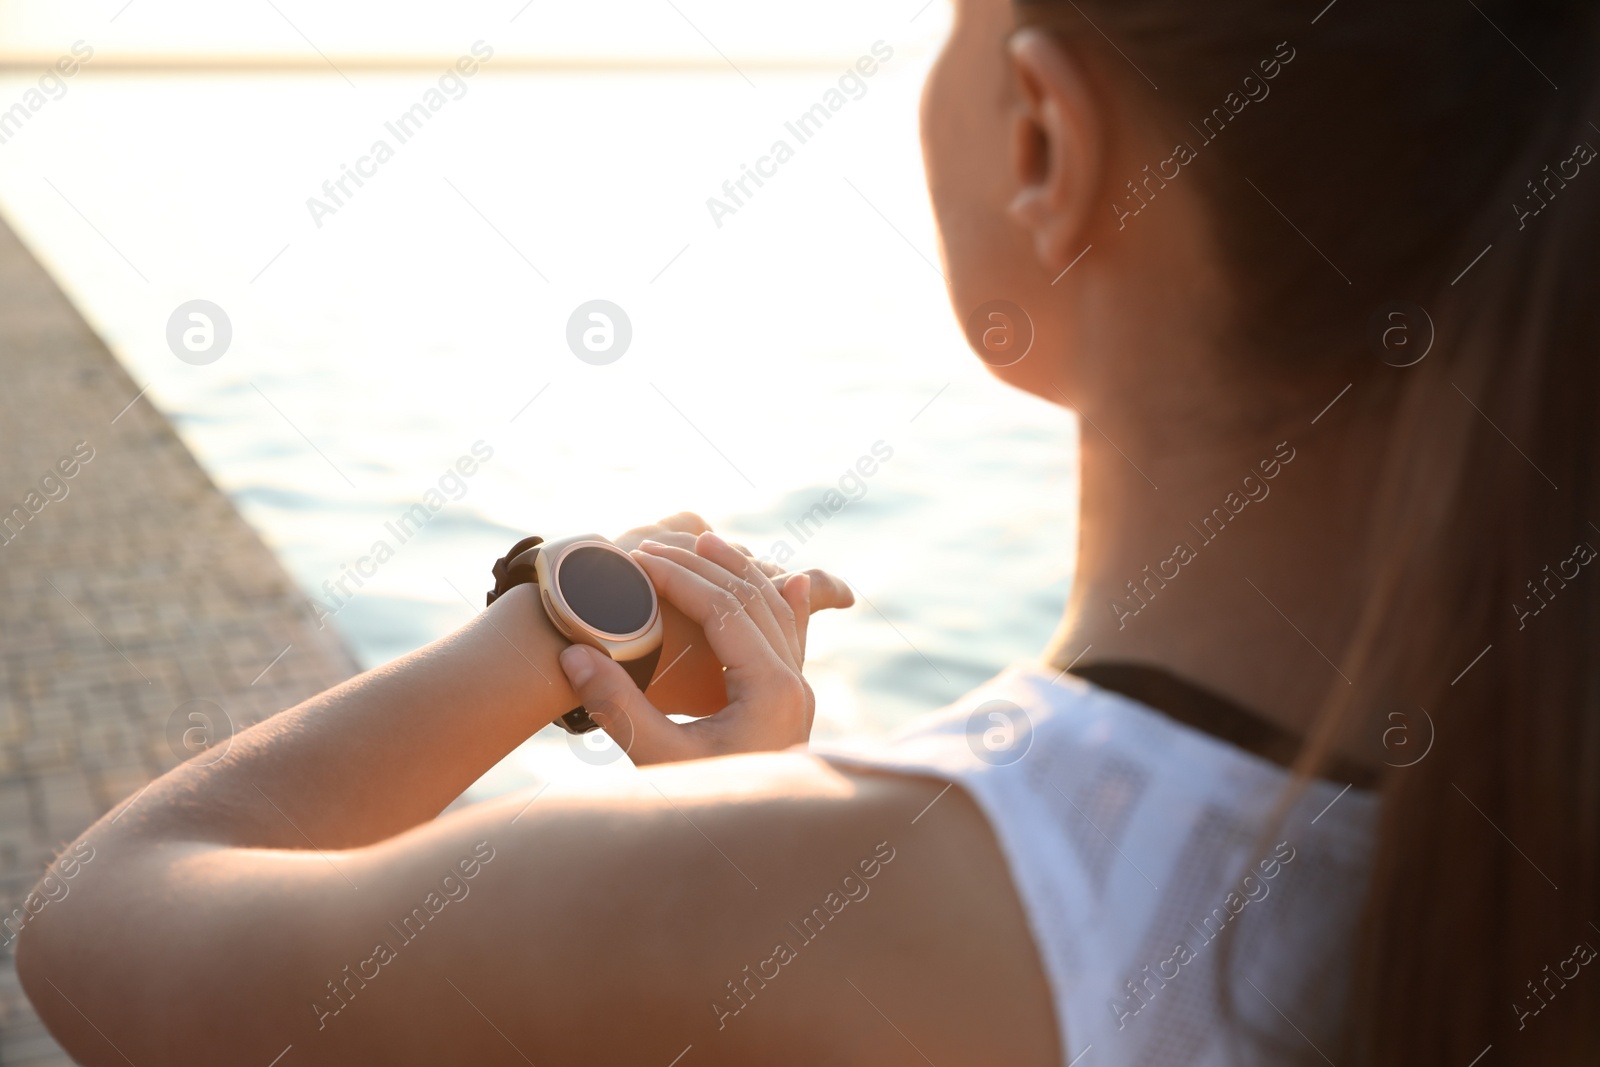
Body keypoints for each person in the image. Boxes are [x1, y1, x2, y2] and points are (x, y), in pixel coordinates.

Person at [17, 0, 1600, 1062]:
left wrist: (573, 624)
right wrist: (772, 829)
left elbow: (100, 928)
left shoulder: (786, 907)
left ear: (1045, 143)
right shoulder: (1520, 826)